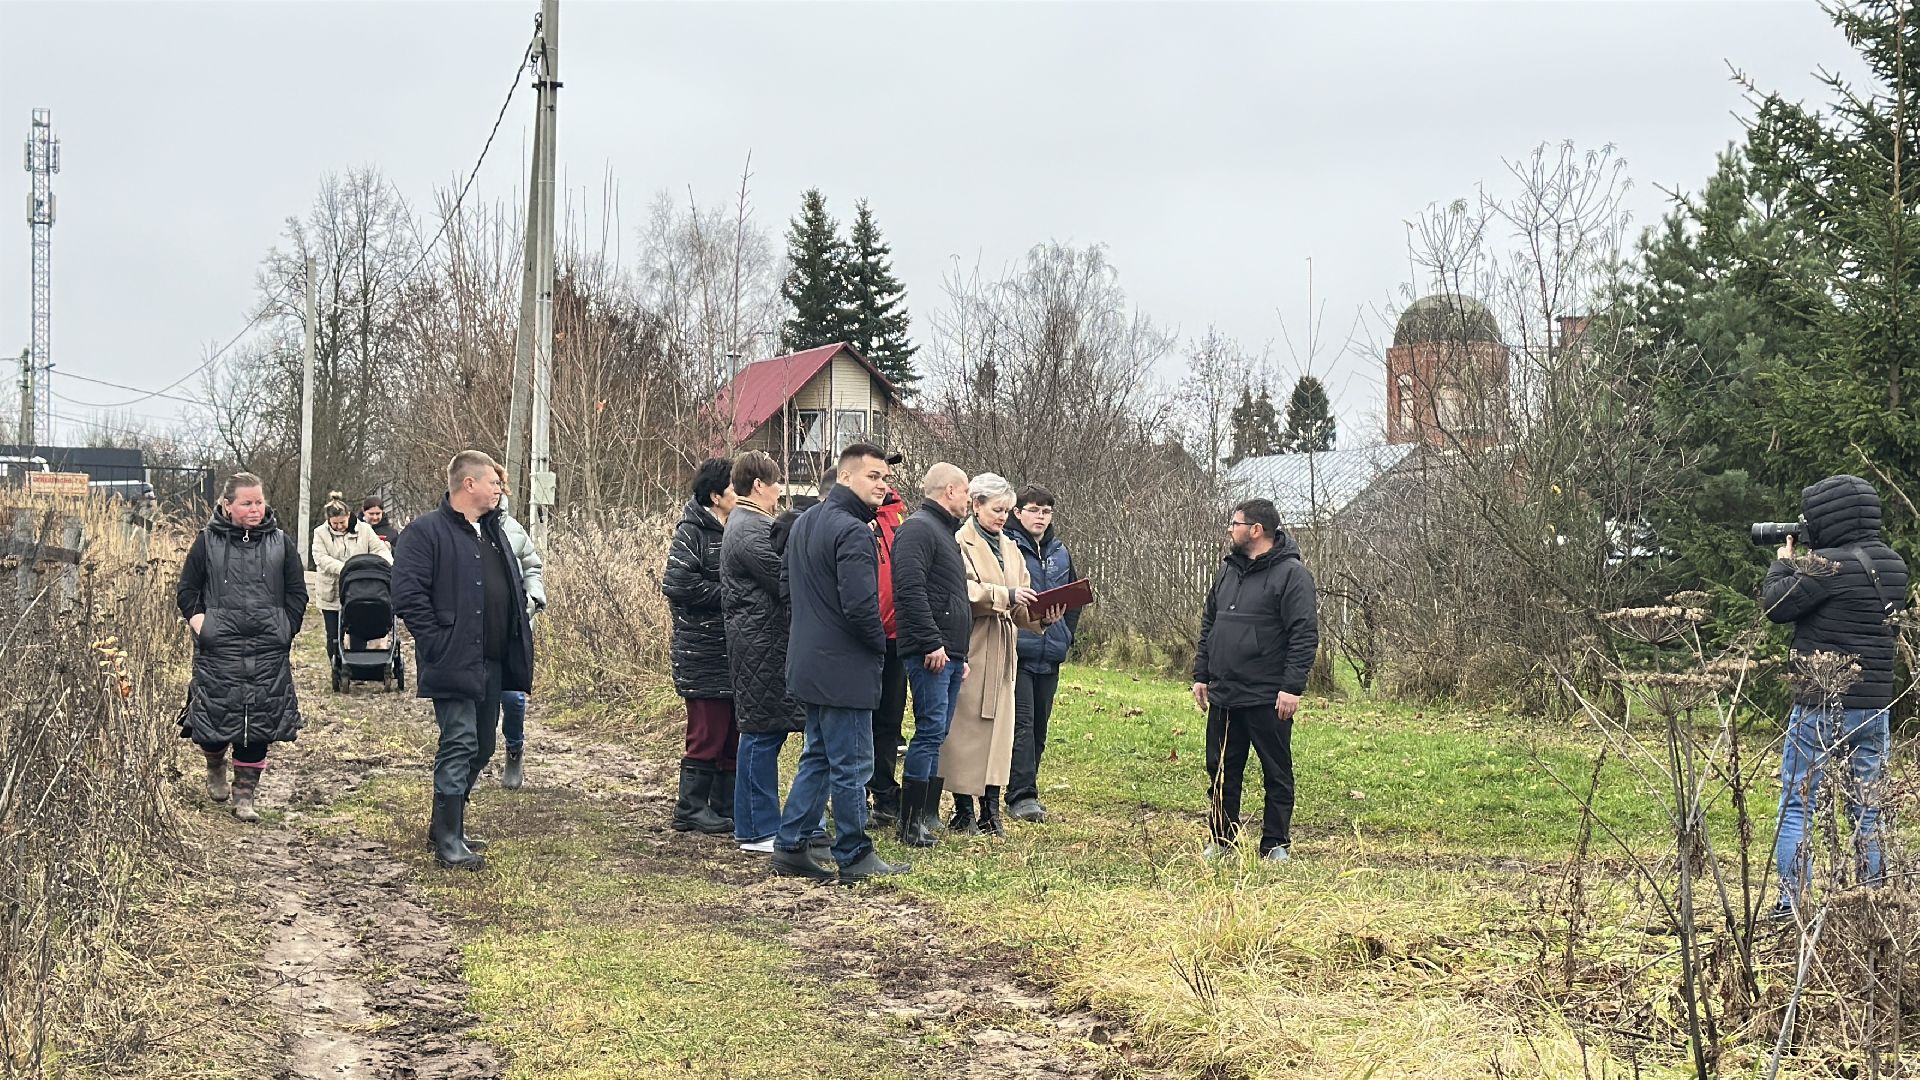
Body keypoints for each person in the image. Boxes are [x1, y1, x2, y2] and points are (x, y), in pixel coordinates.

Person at [1761, 474, 1910, 917]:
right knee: (1868, 808)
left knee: (1797, 804)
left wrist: (1783, 562)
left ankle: (1792, 906)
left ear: (1825, 518)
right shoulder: (1894, 565)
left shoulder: (1823, 567)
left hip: (1820, 703)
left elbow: (1776, 605)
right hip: (1873, 705)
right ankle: (1875, 902)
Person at [771, 442, 910, 883]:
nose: (882, 485)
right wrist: (879, 647)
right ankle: (854, 852)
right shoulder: (853, 531)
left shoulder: (807, 520)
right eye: (873, 476)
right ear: (845, 476)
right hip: (843, 666)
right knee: (852, 763)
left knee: (819, 756)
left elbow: (788, 592)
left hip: (810, 661)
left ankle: (791, 843)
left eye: (886, 478)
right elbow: (860, 606)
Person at [392, 451, 534, 872]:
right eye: (494, 482)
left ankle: (445, 825)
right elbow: (407, 595)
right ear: (468, 484)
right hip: (452, 660)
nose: (500, 489)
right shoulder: (425, 532)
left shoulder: (493, 532)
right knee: (459, 742)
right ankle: (449, 840)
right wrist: (437, 640)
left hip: (491, 660)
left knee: (484, 745)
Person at [1191, 498, 1319, 862]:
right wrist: (1202, 674)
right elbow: (1210, 624)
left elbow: (1304, 634)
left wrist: (1292, 687)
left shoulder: (1292, 575)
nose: (1230, 529)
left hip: (1268, 696)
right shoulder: (1228, 570)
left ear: (1256, 530)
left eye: (1235, 523)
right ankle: (1222, 839)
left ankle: (1275, 844)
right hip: (1226, 691)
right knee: (1221, 770)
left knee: (1275, 771)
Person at [176, 472, 308, 822]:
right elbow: (187, 591)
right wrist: (203, 626)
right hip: (219, 646)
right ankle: (215, 764)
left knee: (259, 720)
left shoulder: (281, 542)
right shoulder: (206, 542)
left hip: (268, 648)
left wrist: (286, 628)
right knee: (216, 715)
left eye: (259, 501)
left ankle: (245, 796)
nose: (255, 509)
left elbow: (297, 592)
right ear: (227, 505)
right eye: (247, 503)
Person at [941, 473, 1059, 838]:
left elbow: (1023, 598)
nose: (1002, 517)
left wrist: (1041, 616)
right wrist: (1004, 596)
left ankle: (991, 810)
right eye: (997, 510)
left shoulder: (1010, 547)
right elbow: (961, 590)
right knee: (966, 730)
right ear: (976, 505)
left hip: (1005, 649)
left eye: (1007, 511)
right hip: (974, 644)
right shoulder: (959, 542)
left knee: (1001, 733)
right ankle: (963, 810)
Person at [721, 451, 805, 854]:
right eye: (776, 485)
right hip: (760, 644)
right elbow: (783, 577)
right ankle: (756, 829)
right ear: (759, 485)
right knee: (760, 734)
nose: (779, 493)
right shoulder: (751, 528)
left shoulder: (746, 524)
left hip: (761, 642)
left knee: (763, 732)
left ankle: (757, 824)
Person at [888, 462, 973, 847]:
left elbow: (950, 596)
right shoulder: (918, 529)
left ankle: (926, 815)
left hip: (949, 653)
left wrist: (960, 653)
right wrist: (931, 642)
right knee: (928, 731)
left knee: (937, 732)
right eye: (967, 491)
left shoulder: (945, 532)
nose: (970, 500)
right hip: (930, 652)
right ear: (950, 491)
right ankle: (909, 824)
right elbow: (909, 589)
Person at [662, 458, 738, 835]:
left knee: (732, 731)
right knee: (707, 731)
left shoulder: (735, 529)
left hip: (733, 652)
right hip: (701, 652)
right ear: (715, 495)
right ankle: (690, 807)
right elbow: (678, 585)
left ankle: (724, 805)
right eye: (734, 488)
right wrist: (732, 596)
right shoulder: (692, 532)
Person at [1006, 483, 1082, 824]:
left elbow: (1074, 601)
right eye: (1034, 510)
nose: (1041, 516)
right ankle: (1021, 795)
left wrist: (1064, 634)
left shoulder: (1060, 551)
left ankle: (1027, 785)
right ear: (1017, 512)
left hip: (1050, 650)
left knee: (1039, 726)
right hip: (1019, 649)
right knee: (1021, 723)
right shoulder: (1009, 546)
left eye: (1047, 511)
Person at [492, 466, 546, 791]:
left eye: (500, 485)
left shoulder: (513, 529)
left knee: (512, 698)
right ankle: (471, 756)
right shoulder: (461, 529)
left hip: (513, 628)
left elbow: (532, 566)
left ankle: (514, 749)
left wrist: (533, 596)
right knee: (475, 703)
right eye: (490, 484)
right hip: (475, 630)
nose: (496, 491)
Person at [867, 477, 910, 826]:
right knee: (857, 721)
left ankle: (883, 790)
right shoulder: (851, 517)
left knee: (888, 722)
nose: (882, 483)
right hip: (862, 639)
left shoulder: (898, 519)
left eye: (885, 478)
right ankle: (851, 792)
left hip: (897, 638)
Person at [312, 491, 389, 668]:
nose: (339, 526)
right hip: (332, 592)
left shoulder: (364, 530)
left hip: (358, 589)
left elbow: (379, 549)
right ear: (328, 521)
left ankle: (356, 665)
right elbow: (321, 558)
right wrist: (347, 569)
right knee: (333, 633)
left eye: (342, 522)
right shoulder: (320, 534)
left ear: (349, 516)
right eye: (335, 524)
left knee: (357, 629)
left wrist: (385, 565)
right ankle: (336, 666)